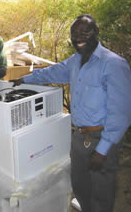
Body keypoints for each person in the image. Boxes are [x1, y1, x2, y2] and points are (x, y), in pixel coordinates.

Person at [10, 14, 131, 212]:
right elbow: (52, 72)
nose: (79, 37)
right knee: (80, 187)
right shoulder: (75, 61)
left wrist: (102, 150)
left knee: (101, 193)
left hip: (101, 137)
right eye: (74, 34)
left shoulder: (113, 64)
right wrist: (24, 80)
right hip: (79, 137)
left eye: (85, 32)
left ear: (96, 33)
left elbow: (122, 112)